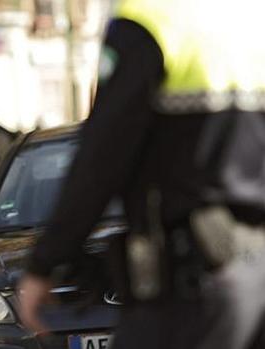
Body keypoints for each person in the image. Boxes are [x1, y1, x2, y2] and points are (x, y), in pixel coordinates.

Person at [18, 1, 265, 349]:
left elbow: (102, 156)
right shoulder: (249, 19)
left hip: (190, 287)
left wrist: (46, 262)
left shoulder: (150, 19)